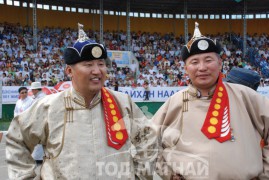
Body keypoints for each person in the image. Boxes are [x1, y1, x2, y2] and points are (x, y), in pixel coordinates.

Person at [6, 23, 156, 179]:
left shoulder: (122, 103)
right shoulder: (49, 107)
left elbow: (148, 138)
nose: (97, 71)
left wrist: (140, 176)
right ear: (69, 71)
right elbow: (16, 139)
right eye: (88, 65)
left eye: (101, 64)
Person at [152, 22, 269, 179]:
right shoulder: (175, 102)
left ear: (220, 64)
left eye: (208, 60)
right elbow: (146, 142)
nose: (202, 67)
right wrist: (168, 174)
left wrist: (265, 173)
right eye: (194, 62)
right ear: (185, 69)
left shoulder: (246, 96)